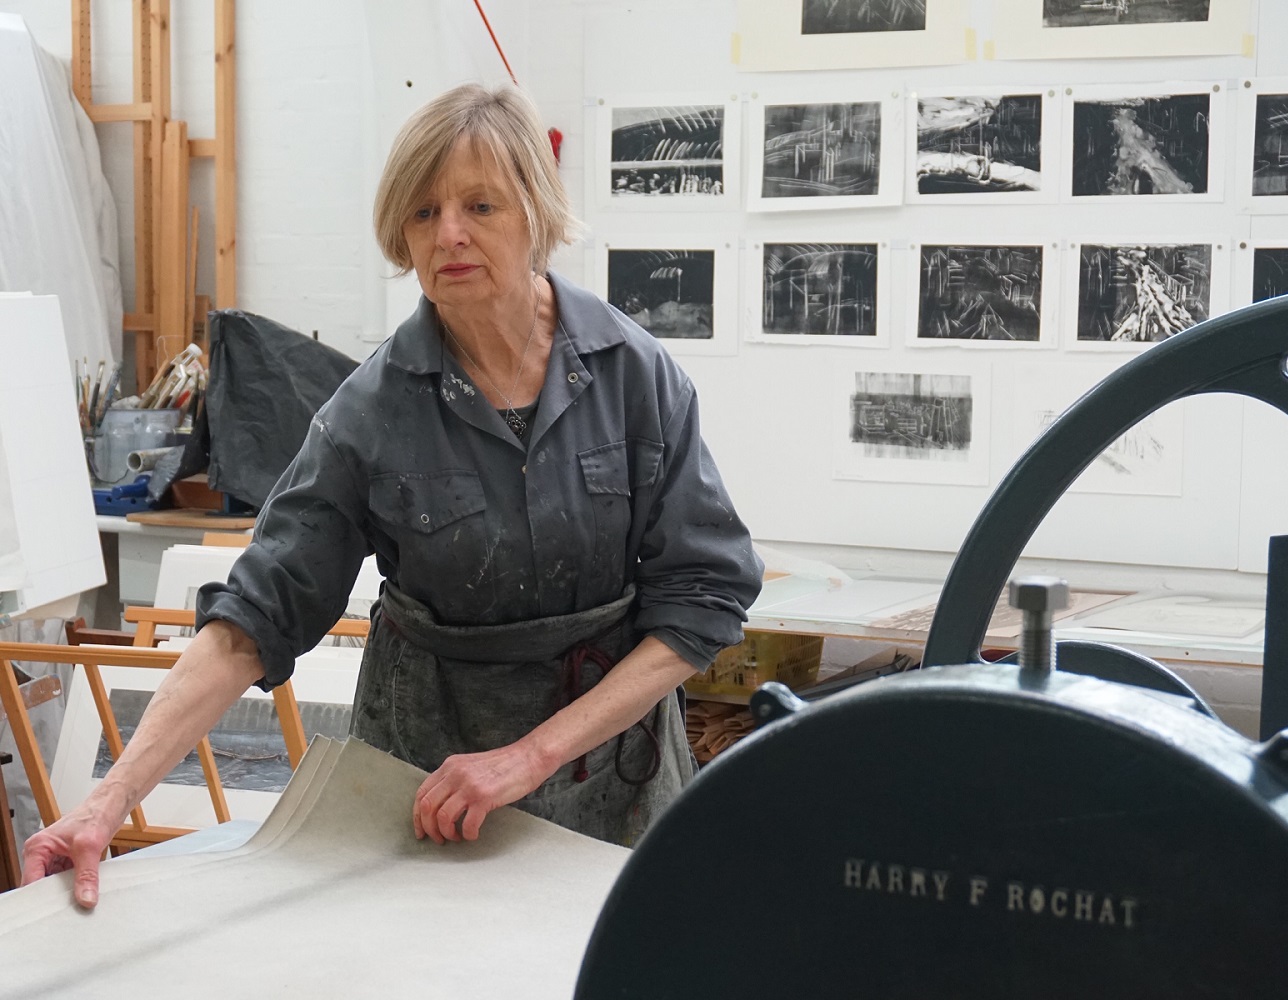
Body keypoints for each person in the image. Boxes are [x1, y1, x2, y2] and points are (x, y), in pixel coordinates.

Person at [23, 84, 762, 908]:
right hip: (429, 784)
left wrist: (531, 756)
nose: (448, 234)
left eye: (480, 205)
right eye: (423, 212)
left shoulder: (634, 377)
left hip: (610, 779)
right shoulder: (368, 414)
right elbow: (253, 621)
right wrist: (104, 804)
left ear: (535, 213)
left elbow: (705, 596)